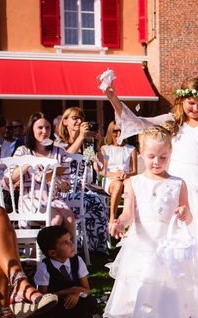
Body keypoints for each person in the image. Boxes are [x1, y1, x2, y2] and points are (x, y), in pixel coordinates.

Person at [103, 75, 198, 291]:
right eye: (191, 103)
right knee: (168, 243)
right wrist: (114, 99)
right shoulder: (172, 122)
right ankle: (169, 290)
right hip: (171, 190)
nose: (196, 108)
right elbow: (137, 122)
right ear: (181, 100)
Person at [104, 126, 195, 318]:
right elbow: (128, 213)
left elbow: (188, 216)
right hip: (143, 246)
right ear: (141, 154)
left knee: (166, 294)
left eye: (163, 157)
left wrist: (184, 213)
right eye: (151, 156)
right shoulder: (133, 183)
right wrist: (119, 223)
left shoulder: (178, 184)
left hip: (167, 248)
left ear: (170, 154)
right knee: (148, 292)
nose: (157, 161)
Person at [54, 108, 110, 254]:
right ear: (65, 122)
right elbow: (65, 159)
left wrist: (95, 145)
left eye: (81, 118)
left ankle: (92, 246)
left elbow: (98, 166)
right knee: (95, 200)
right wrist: (80, 138)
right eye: (75, 118)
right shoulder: (58, 145)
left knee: (98, 197)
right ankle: (92, 247)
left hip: (85, 188)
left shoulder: (86, 145)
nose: (79, 121)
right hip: (65, 190)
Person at [12, 113, 77, 238]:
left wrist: (59, 182)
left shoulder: (58, 152)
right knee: (56, 219)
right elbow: (10, 178)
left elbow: (67, 185)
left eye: (47, 128)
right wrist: (28, 162)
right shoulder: (23, 151)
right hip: (31, 200)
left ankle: (71, 253)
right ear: (32, 129)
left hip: (55, 200)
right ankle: (49, 254)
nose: (44, 131)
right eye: (40, 128)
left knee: (69, 217)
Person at [34, 225, 99, 318]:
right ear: (52, 253)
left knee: (90, 300)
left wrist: (76, 294)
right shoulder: (45, 268)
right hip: (57, 302)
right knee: (57, 309)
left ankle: (75, 317)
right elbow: (42, 299)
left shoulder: (77, 261)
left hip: (77, 298)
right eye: (65, 243)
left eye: (70, 240)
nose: (71, 244)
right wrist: (68, 291)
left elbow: (87, 289)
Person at [99, 121, 138, 221]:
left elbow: (134, 171)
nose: (119, 134)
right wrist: (115, 174)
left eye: (121, 131)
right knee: (118, 185)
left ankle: (128, 218)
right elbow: (103, 171)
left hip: (126, 177)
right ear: (110, 132)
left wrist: (126, 174)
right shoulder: (105, 149)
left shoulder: (131, 149)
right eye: (115, 131)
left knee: (129, 184)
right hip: (110, 178)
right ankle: (112, 218)